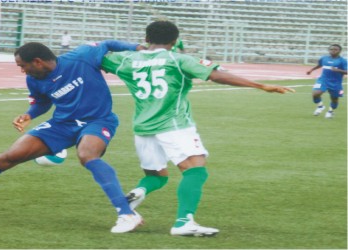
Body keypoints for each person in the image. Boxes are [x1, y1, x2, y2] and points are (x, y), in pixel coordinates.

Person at [0, 40, 145, 234]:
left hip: (98, 120)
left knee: (87, 155)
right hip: (61, 124)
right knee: (5, 158)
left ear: (38, 61)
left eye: (22, 66)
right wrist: (28, 114)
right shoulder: (35, 80)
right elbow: (42, 102)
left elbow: (108, 44)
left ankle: (127, 214)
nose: (22, 71)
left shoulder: (82, 56)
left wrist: (136, 47)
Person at [101, 20, 295, 237]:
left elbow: (97, 57)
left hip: (143, 128)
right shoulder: (179, 58)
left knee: (157, 176)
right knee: (196, 170)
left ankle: (138, 192)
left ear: (146, 39)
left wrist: (127, 46)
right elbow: (216, 75)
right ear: (175, 41)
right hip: (173, 125)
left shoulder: (125, 59)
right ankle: (184, 222)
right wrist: (261, 86)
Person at [306, 44, 347, 118]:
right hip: (323, 80)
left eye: (335, 49)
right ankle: (320, 106)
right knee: (315, 94)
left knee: (334, 99)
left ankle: (330, 111)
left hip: (336, 82)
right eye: (331, 49)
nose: (333, 51)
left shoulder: (343, 61)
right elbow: (319, 65)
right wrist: (311, 70)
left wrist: (337, 70)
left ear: (340, 51)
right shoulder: (324, 58)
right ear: (329, 50)